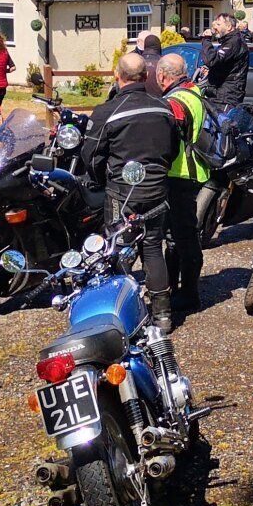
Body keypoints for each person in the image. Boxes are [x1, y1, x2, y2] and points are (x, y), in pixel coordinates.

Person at [86, 51, 175, 322]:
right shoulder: (163, 107)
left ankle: (120, 312)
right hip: (157, 188)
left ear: (117, 76)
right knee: (152, 247)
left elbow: (91, 156)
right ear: (146, 76)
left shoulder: (107, 112)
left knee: (117, 249)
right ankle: (162, 314)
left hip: (122, 192)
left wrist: (102, 180)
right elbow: (172, 149)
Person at [156, 51, 207, 325]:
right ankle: (177, 287)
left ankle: (188, 293)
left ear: (163, 76)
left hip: (180, 174)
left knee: (183, 235)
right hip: (192, 171)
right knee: (178, 234)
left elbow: (168, 143)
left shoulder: (174, 102)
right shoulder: (193, 92)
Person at [201, 12, 250, 112]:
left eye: (218, 24)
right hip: (220, 93)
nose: (215, 27)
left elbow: (212, 60)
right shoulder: (228, 41)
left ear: (228, 27)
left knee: (222, 121)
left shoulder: (234, 42)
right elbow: (222, 64)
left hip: (227, 96)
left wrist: (206, 40)